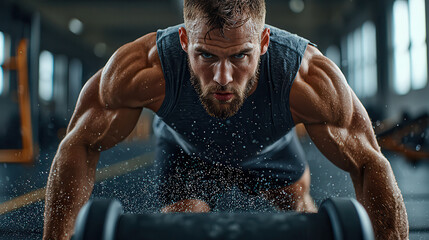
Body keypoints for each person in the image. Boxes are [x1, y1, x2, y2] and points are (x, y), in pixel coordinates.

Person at [43, 0, 409, 239]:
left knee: (301, 215)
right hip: (187, 153)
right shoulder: (142, 69)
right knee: (182, 228)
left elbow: (368, 163)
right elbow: (79, 144)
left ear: (264, 42)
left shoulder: (307, 80)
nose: (222, 77)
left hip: (272, 150)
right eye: (205, 55)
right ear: (185, 40)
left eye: (239, 57)